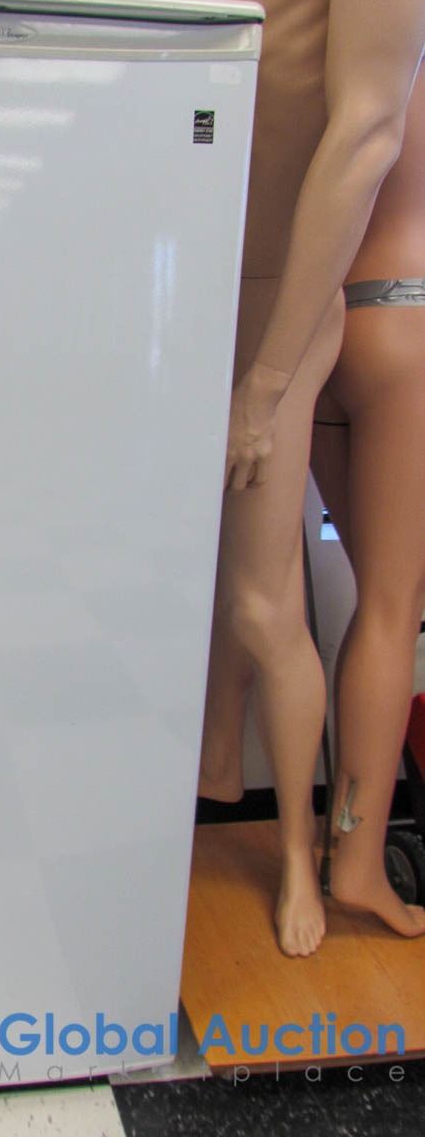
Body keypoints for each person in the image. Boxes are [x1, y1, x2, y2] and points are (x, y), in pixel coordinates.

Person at [197, 0, 425, 957]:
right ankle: (342, 850)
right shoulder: (379, 5)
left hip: (321, 306)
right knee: (343, 599)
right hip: (342, 304)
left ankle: (323, 849)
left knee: (282, 591)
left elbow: (366, 134)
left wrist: (267, 382)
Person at [309, 64, 425, 940]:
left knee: (372, 601)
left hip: (329, 322)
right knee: (393, 607)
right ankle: (356, 865)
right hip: (410, 318)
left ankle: (342, 834)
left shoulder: (352, 47)